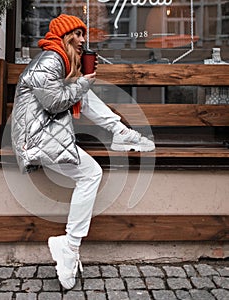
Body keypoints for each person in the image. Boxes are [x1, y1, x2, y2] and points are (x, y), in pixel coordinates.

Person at [11, 14, 155, 289]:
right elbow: (54, 102)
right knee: (90, 174)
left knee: (82, 93)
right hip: (35, 137)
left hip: (43, 133)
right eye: (75, 35)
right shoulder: (50, 60)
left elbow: (73, 97)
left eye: (83, 34)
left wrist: (82, 81)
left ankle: (120, 133)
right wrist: (83, 82)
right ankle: (70, 244)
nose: (81, 40)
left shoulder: (61, 62)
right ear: (63, 37)